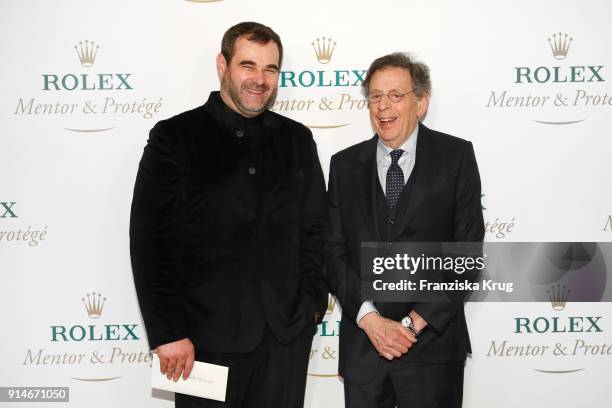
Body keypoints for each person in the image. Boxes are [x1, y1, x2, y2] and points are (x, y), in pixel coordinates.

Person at [129, 21, 328, 408]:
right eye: (248, 65)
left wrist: (312, 306)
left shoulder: (297, 139)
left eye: (270, 69)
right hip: (200, 345)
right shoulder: (175, 137)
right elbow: (151, 242)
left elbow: (315, 229)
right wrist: (167, 332)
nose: (259, 79)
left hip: (283, 341)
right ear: (223, 65)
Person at [324, 52, 484, 408]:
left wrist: (411, 325)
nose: (383, 107)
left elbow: (467, 256)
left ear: (421, 102)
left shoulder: (456, 157)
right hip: (365, 347)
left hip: (433, 349)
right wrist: (371, 321)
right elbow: (332, 253)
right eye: (376, 96)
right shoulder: (344, 165)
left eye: (395, 95)